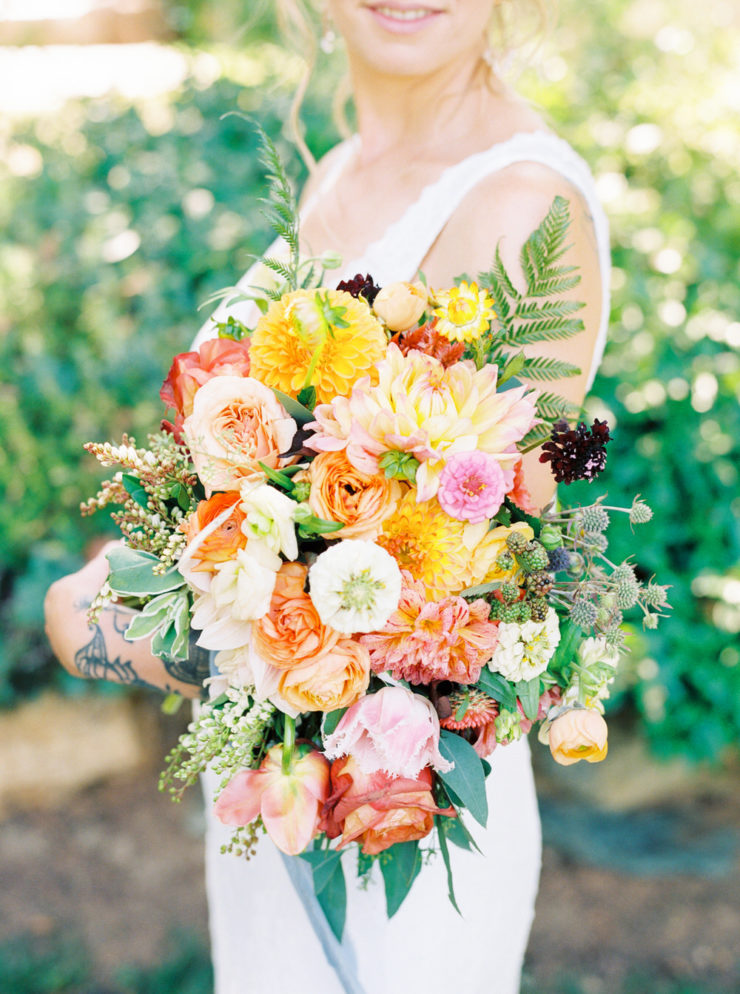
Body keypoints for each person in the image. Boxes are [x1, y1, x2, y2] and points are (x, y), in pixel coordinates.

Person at [45, 2, 610, 991]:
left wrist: (122, 626)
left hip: (404, 815)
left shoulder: (519, 204)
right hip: (280, 788)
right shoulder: (337, 167)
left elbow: (444, 614)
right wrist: (133, 564)